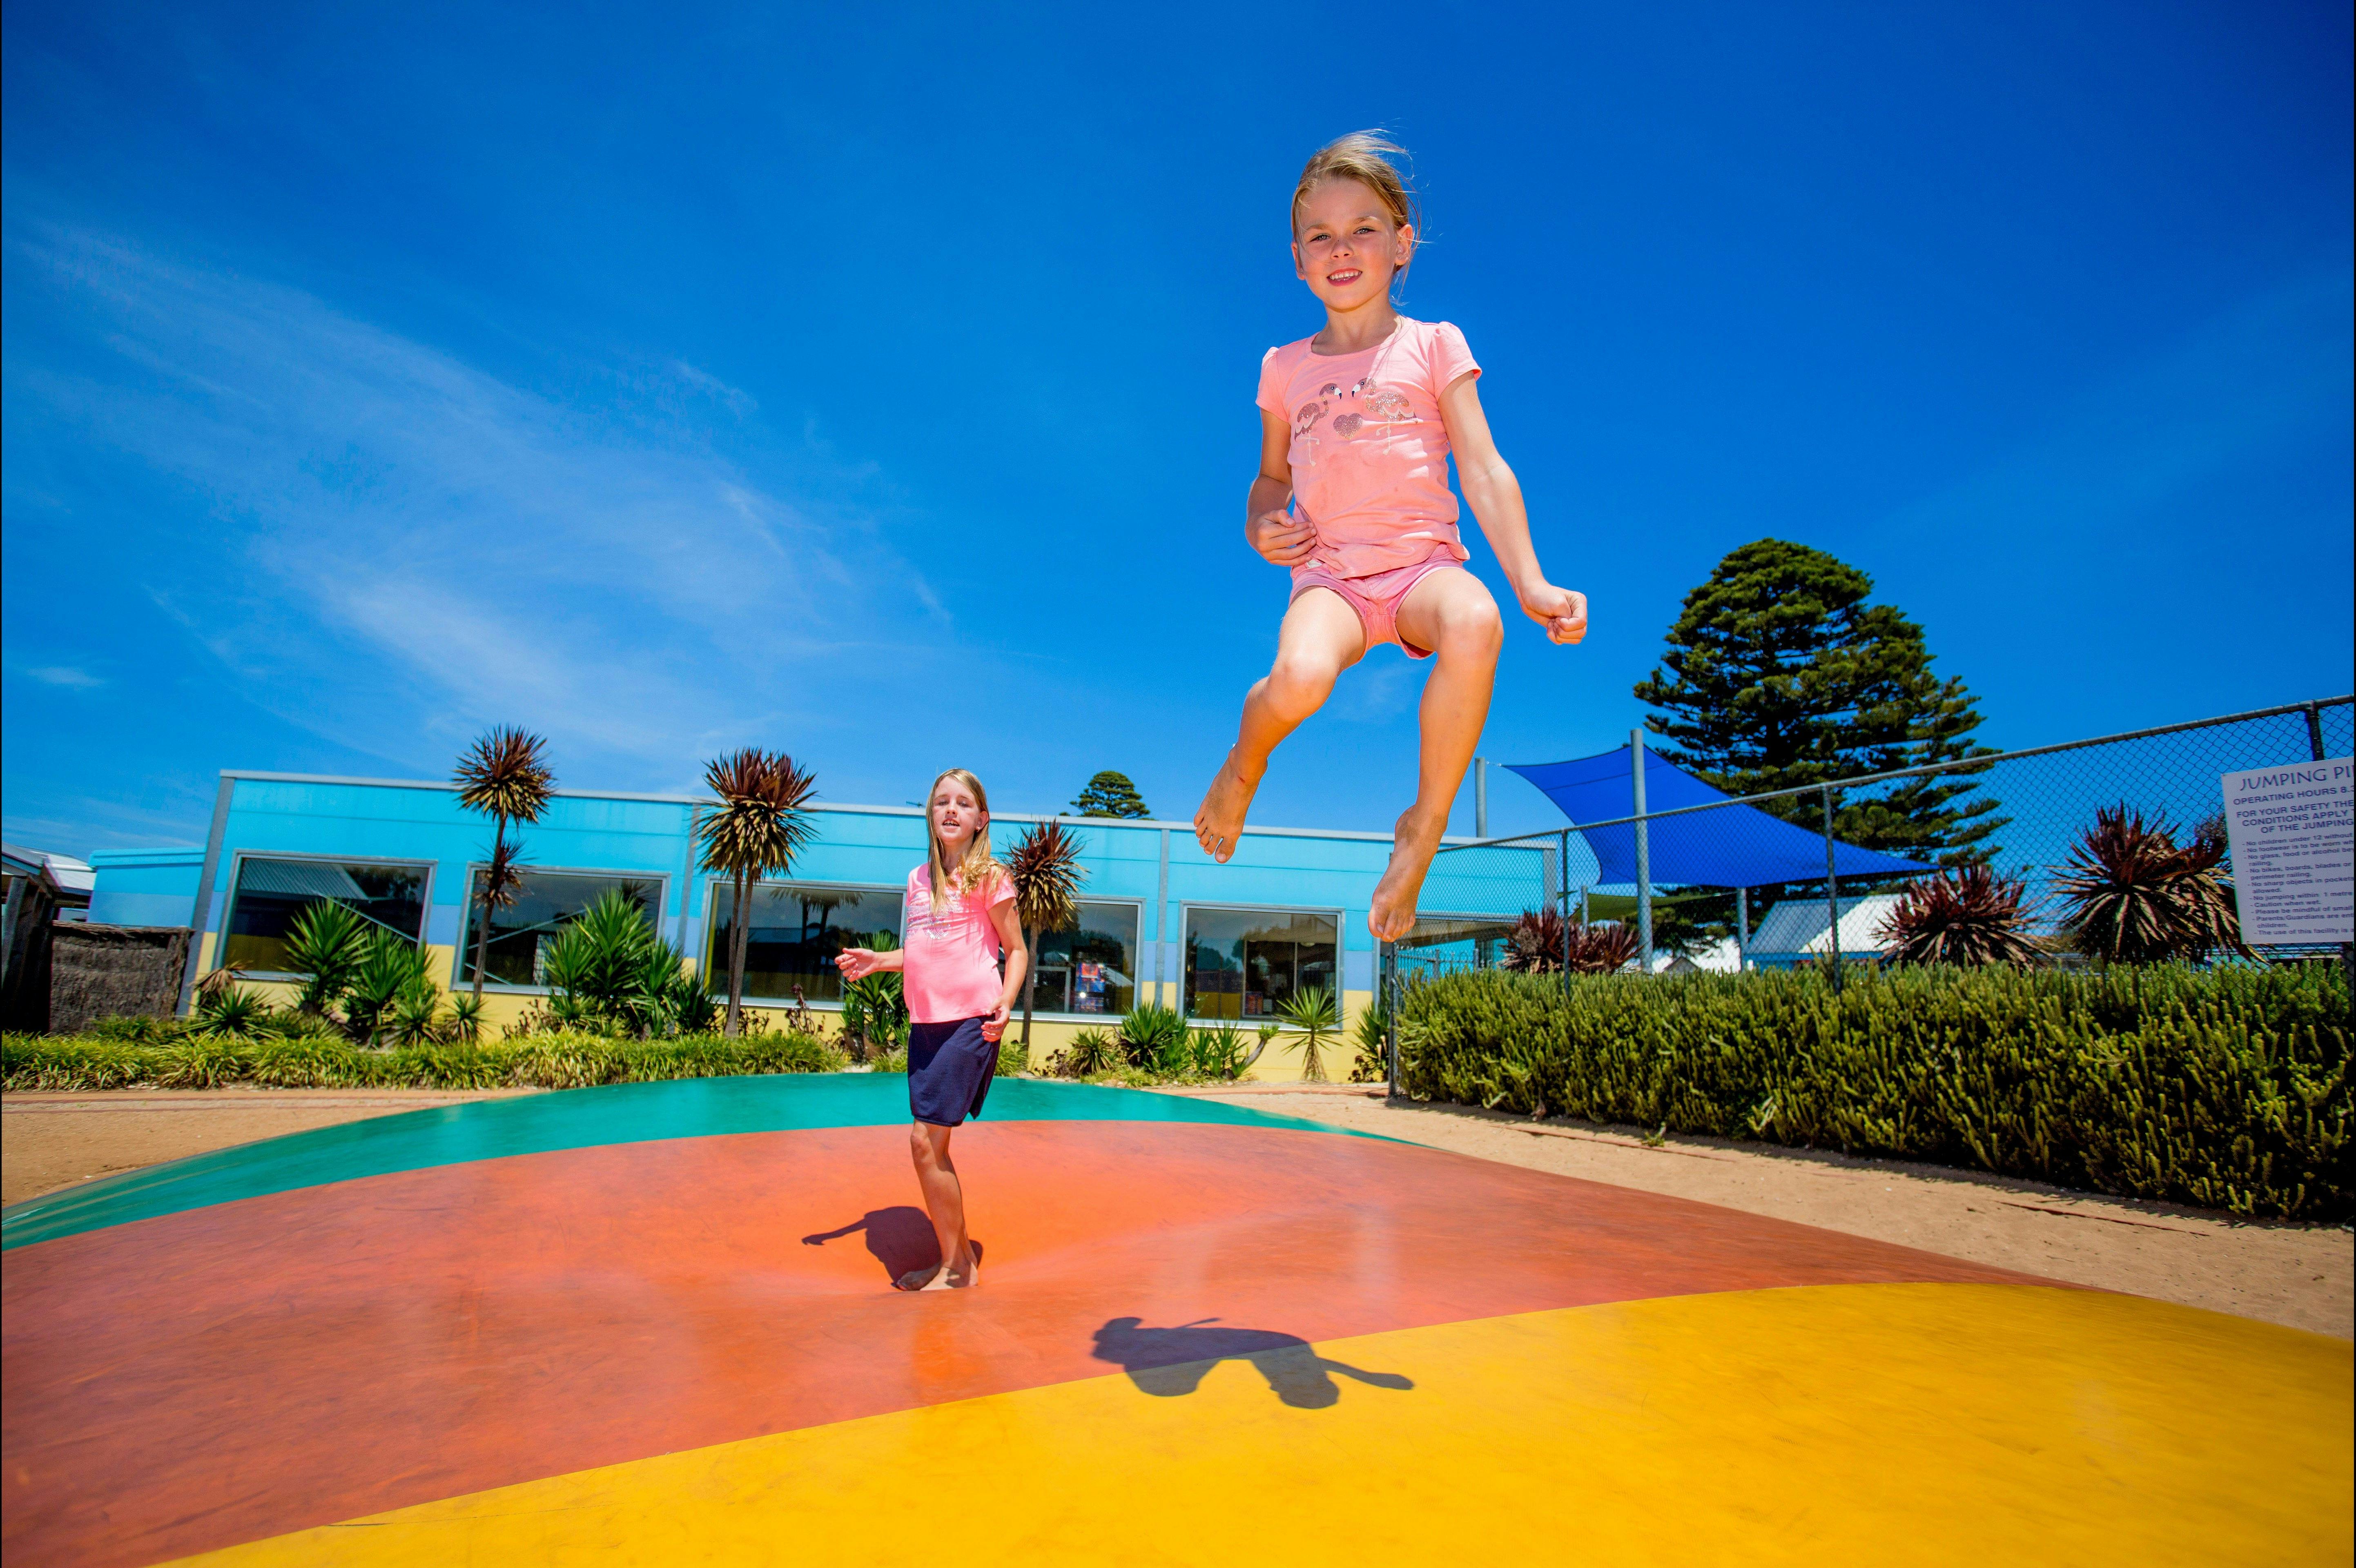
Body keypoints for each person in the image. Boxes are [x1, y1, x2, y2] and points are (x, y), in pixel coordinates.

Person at [1194, 132, 1588, 942]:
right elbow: (1270, 477)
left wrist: (1531, 583)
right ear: (1297, 259)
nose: (1341, 250)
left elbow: (1481, 468)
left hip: (1421, 568)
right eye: (1320, 236)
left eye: (1363, 228)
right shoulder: (1282, 366)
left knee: (1477, 623)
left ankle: (1425, 824)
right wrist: (1258, 521)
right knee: (1298, 680)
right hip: (1329, 578)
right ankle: (1245, 762)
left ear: (1403, 243)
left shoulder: (1434, 344)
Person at [835, 768, 1026, 1291]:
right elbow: (926, 950)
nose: (950, 810)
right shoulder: (918, 880)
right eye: (942, 801)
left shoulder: (992, 876)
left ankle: (957, 1268)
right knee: (929, 1145)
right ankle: (959, 1257)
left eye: (963, 804)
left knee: (925, 1142)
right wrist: (881, 960)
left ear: (981, 819)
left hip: (971, 1020)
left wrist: (1006, 1003)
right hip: (925, 1024)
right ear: (930, 812)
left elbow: (1018, 950)